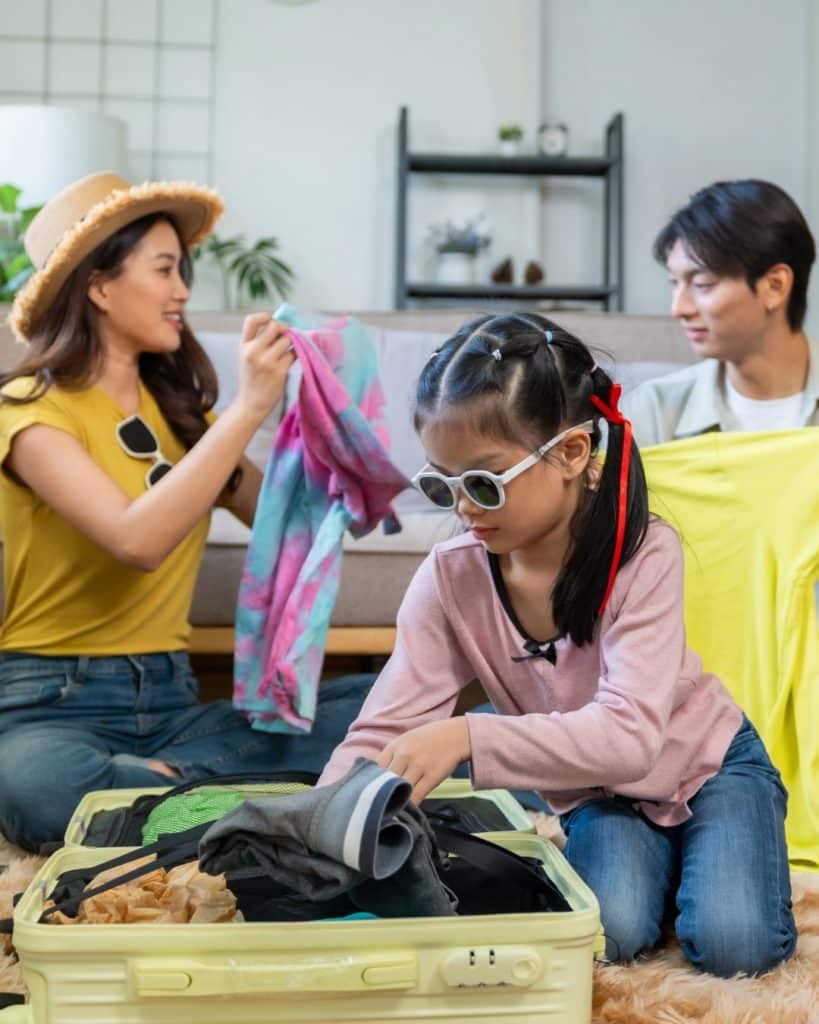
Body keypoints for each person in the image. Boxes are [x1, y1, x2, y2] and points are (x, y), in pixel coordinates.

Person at [318, 312, 796, 977]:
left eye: (483, 482)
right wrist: (321, 821)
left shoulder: (642, 551)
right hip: (598, 793)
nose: (463, 508)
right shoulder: (451, 577)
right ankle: (674, 870)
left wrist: (466, 736)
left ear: (571, 453)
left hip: (708, 766)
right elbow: (385, 727)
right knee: (607, 932)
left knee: (733, 943)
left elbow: (630, 738)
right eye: (441, 484)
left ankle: (708, 856)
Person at [0, 172, 372, 852]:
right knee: (34, 785)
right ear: (99, 286)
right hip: (53, 706)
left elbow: (294, 526)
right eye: (164, 270)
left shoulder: (183, 417)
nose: (182, 292)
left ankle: (161, 789)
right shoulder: (28, 412)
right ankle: (251, 797)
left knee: (390, 706)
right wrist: (247, 407)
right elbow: (136, 539)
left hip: (175, 709)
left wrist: (314, 406)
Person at [623, 179, 819, 446]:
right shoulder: (651, 414)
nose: (679, 309)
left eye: (702, 284)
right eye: (674, 283)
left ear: (775, 286)